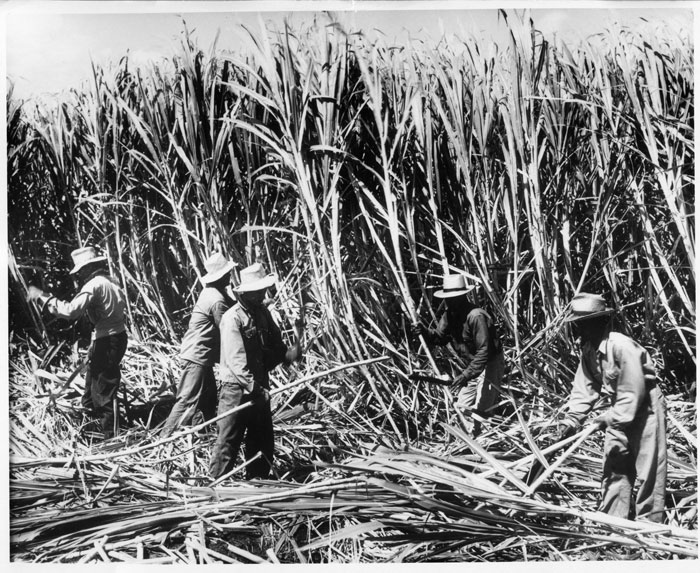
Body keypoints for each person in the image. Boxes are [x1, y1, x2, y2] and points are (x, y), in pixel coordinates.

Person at [557, 292, 667, 523]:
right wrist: (572, 420)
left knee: (649, 468)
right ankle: (613, 522)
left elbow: (633, 389)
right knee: (615, 461)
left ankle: (649, 525)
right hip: (619, 407)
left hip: (645, 405)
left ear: (602, 321)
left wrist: (609, 418)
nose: (581, 330)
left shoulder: (621, 346)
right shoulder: (589, 350)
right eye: (578, 324)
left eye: (585, 324)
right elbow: (584, 388)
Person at [209, 263, 303, 481]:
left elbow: (276, 346)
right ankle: (214, 487)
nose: (263, 295)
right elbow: (236, 361)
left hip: (259, 384)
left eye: (263, 290)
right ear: (246, 293)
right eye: (258, 292)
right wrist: (256, 388)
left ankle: (257, 483)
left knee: (262, 438)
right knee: (228, 439)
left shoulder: (262, 313)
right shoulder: (232, 318)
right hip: (236, 389)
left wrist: (291, 352)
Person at [28, 246, 127, 439]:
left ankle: (112, 437)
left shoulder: (94, 285)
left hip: (107, 341)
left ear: (90, 268)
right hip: (113, 337)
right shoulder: (112, 281)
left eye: (82, 270)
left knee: (102, 390)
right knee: (91, 387)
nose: (80, 274)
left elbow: (70, 312)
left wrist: (45, 298)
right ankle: (92, 429)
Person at [413, 273, 505, 436]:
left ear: (463, 296)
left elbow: (485, 351)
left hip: (489, 363)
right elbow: (439, 338)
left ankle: (484, 443)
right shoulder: (450, 315)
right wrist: (424, 332)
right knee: (462, 406)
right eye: (448, 298)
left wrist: (464, 375)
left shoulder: (476, 316)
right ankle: (469, 439)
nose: (450, 301)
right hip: (471, 365)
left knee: (483, 408)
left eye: (454, 297)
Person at [160, 252, 237, 438]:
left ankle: (201, 434)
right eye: (227, 273)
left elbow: (235, 307)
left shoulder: (212, 292)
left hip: (200, 355)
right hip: (197, 356)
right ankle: (164, 439)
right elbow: (227, 327)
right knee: (187, 399)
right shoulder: (217, 300)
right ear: (222, 276)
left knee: (208, 398)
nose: (229, 276)